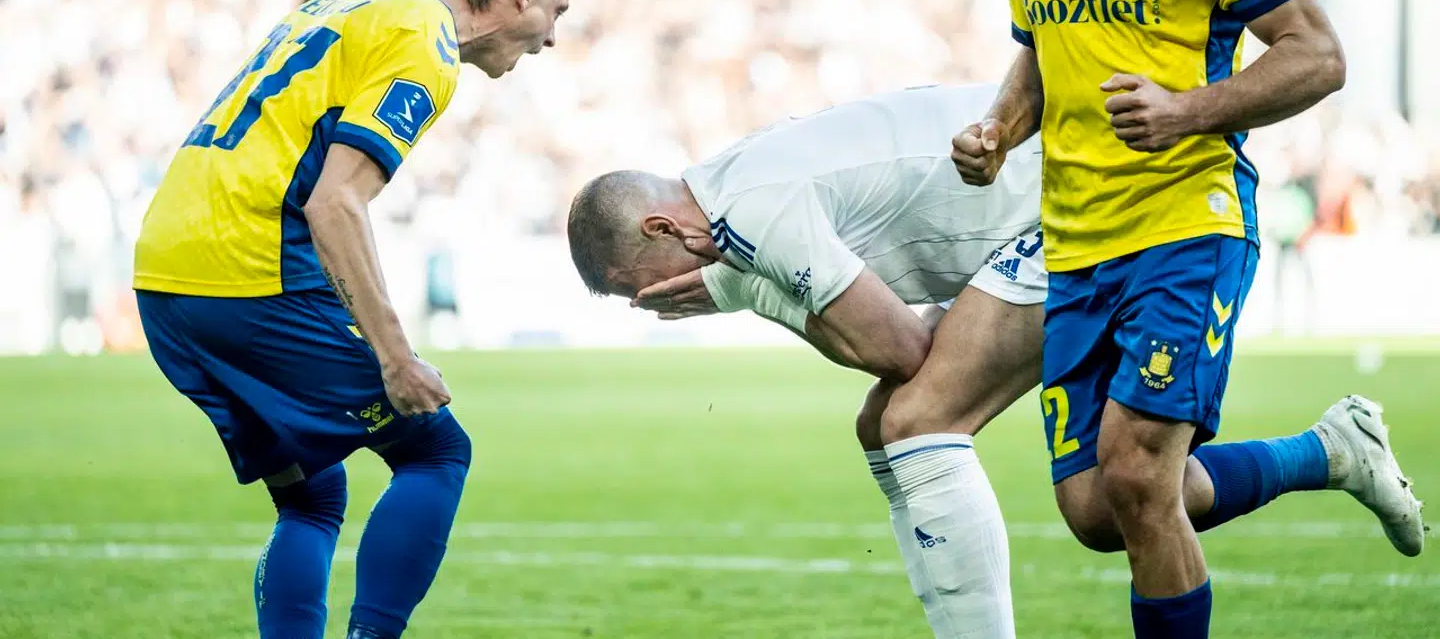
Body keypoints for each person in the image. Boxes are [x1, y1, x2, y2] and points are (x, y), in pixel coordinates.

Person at [566, 84, 1416, 639]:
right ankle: (1331, 451)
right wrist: (745, 287)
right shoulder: (728, 196)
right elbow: (874, 340)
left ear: (659, 231)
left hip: (1082, 205)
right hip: (1051, 211)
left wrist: (749, 292)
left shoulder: (749, 215)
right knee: (1101, 508)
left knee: (915, 417)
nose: (652, 301)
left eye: (634, 288)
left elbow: (901, 350)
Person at [952, 0, 1423, 638]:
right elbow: (1040, 55)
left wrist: (1186, 111)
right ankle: (1329, 451)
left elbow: (1318, 53)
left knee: (1136, 476)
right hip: (1075, 244)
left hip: (1188, 226)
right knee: (1098, 510)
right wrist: (998, 129)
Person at [132, 0, 574, 639]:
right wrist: (395, 357)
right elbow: (334, 202)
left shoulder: (345, 6)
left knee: (310, 496)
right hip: (247, 268)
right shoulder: (424, 48)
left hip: (164, 275)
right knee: (435, 449)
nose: (552, 37)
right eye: (557, 10)